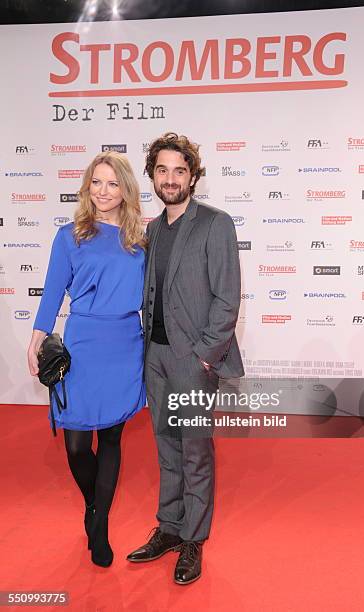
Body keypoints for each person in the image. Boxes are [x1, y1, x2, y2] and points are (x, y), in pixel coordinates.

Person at [126, 133, 244, 584]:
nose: (170, 179)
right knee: (165, 446)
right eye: (162, 170)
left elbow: (227, 298)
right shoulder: (151, 230)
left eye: (179, 170)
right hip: (154, 356)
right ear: (152, 176)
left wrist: (204, 358)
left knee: (194, 450)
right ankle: (170, 527)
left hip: (192, 360)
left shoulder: (216, 224)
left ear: (193, 176)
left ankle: (193, 539)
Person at [27, 151, 146, 568]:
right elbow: (52, 290)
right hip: (83, 342)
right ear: (87, 186)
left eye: (112, 183)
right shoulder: (70, 235)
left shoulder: (140, 240)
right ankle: (93, 505)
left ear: (126, 189)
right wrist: (37, 338)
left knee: (111, 438)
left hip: (126, 342)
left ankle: (99, 526)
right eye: (96, 182)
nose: (103, 191)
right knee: (77, 443)